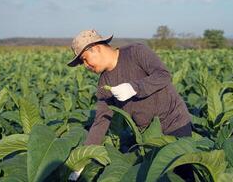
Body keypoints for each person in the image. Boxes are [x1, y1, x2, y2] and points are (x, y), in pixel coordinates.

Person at [67, 29, 192, 181]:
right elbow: (101, 121)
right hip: (148, 135)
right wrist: (83, 159)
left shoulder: (136, 52)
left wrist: (134, 88)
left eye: (85, 59)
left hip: (175, 123)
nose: (85, 66)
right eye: (82, 63)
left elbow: (163, 75)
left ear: (96, 48)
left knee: (181, 175)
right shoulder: (104, 83)